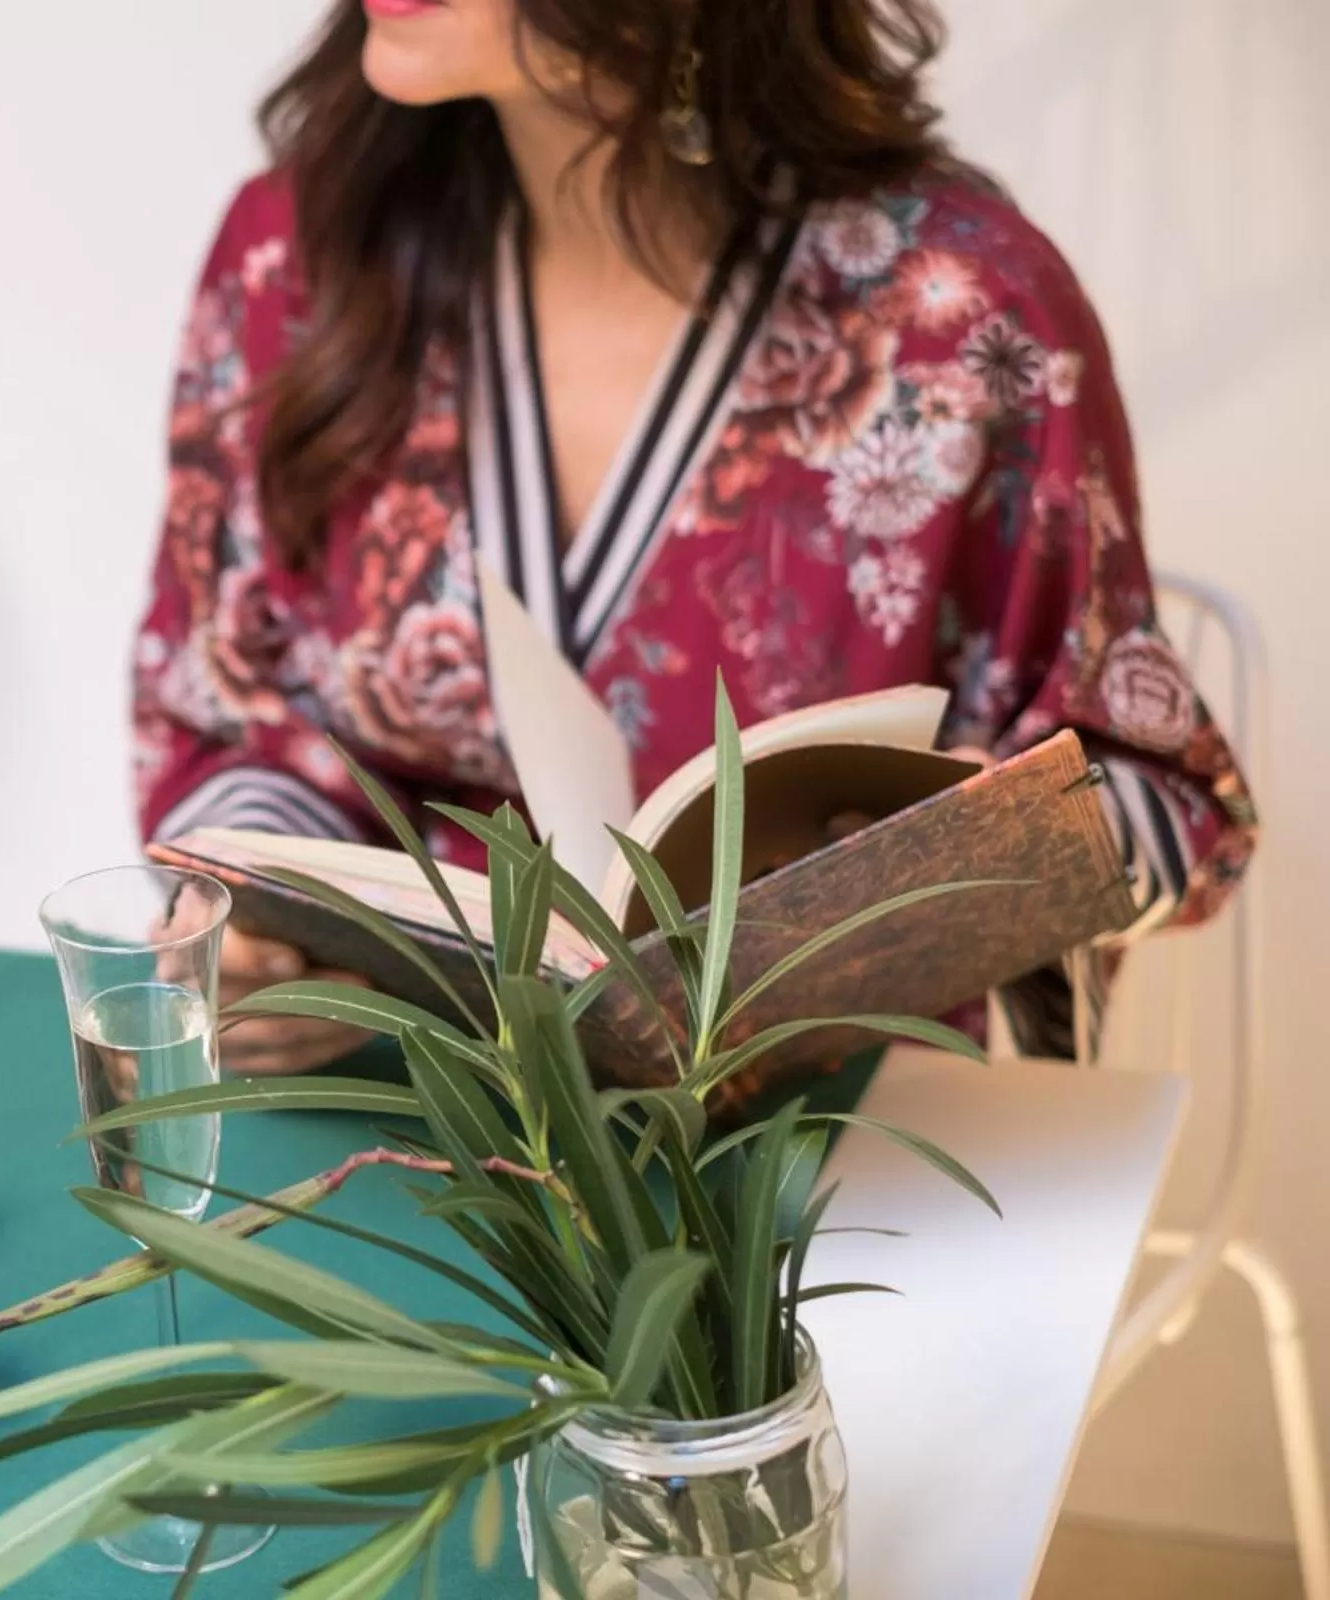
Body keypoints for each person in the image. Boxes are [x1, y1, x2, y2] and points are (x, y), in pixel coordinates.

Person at [131, 0, 1258, 1074]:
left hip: (827, 1153)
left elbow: (1167, 808)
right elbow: (218, 705)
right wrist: (247, 935)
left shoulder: (964, 318)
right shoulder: (299, 257)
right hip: (401, 1106)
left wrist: (974, 855)